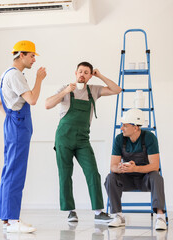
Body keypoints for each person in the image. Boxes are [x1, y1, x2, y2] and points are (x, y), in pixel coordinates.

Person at [45, 61, 121, 223]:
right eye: (80, 71)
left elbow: (117, 90)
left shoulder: (93, 90)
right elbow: (47, 104)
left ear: (90, 75)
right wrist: (65, 91)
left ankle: (98, 212)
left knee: (92, 172)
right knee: (65, 174)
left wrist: (100, 76)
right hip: (64, 138)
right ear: (75, 72)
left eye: (87, 72)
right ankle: (70, 211)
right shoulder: (66, 89)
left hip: (82, 140)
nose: (82, 74)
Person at [0, 40, 47, 233]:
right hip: (18, 124)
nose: (34, 59)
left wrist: (11, 119)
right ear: (22, 55)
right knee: (16, 171)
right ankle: (13, 221)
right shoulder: (16, 75)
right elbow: (32, 99)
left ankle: (8, 219)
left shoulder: (5, 74)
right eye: (32, 55)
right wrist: (40, 79)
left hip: (12, 122)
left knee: (10, 169)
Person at [104, 108, 167, 230]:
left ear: (135, 127)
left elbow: (155, 166)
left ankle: (160, 217)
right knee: (111, 177)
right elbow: (113, 166)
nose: (122, 128)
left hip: (145, 179)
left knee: (157, 177)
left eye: (125, 126)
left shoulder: (149, 137)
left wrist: (135, 168)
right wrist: (121, 168)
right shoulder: (119, 139)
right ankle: (118, 216)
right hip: (127, 179)